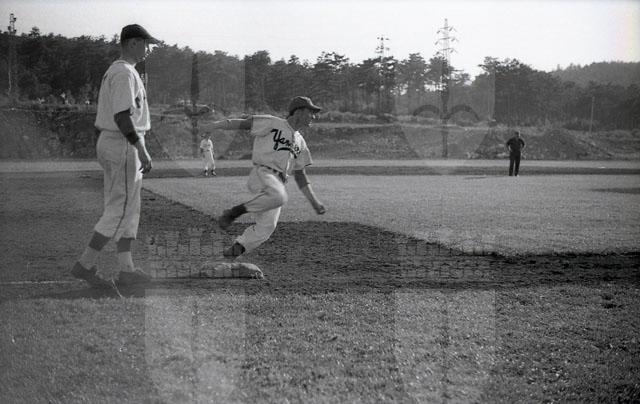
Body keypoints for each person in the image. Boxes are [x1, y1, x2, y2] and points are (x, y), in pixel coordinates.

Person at [71, 24, 159, 287]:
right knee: (119, 209)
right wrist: (140, 148)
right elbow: (121, 116)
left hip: (117, 143)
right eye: (146, 43)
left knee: (128, 208)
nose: (149, 49)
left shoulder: (123, 71)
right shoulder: (123, 73)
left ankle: (126, 269)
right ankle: (85, 264)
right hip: (123, 143)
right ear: (133, 43)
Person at [201, 96, 326, 258]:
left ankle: (234, 251)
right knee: (279, 197)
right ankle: (234, 212)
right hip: (263, 174)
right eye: (311, 112)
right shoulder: (273, 123)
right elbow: (243, 123)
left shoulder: (301, 142)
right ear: (298, 112)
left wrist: (314, 202)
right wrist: (215, 125)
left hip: (277, 184)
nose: (314, 116)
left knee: (267, 226)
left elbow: (301, 176)